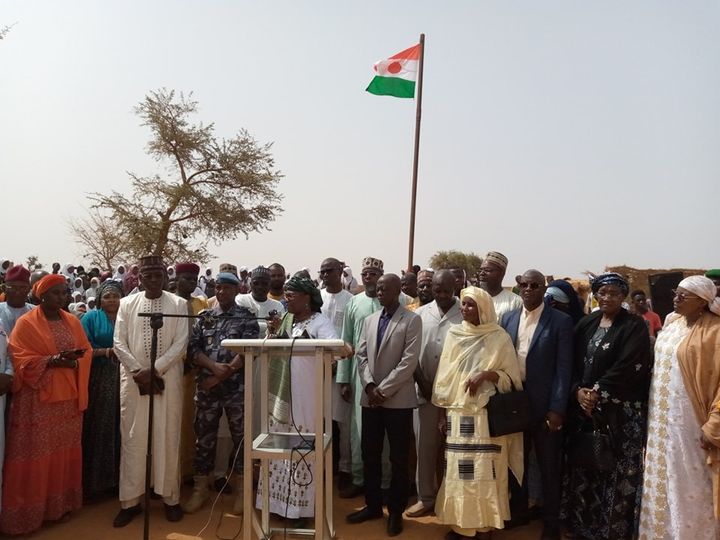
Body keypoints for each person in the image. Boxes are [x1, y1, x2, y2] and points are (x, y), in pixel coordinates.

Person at [562, 273, 652, 540]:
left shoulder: (634, 325)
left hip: (619, 414)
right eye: (602, 292)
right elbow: (572, 362)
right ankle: (581, 526)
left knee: (616, 471)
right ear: (595, 295)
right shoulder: (587, 323)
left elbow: (629, 365)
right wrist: (578, 391)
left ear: (623, 296)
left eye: (614, 293)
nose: (607, 297)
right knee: (585, 466)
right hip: (585, 413)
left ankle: (610, 531)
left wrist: (597, 392)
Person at [0, 274, 92, 535]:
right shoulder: (27, 324)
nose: (62, 298)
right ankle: (27, 515)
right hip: (37, 403)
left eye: (64, 293)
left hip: (67, 404)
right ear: (41, 296)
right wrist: (51, 361)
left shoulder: (73, 321)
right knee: (34, 457)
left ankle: (58, 507)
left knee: (61, 456)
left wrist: (73, 361)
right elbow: (19, 358)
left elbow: (85, 351)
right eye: (56, 293)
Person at [432, 286, 524, 540]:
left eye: (470, 304)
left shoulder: (499, 337)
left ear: (483, 308)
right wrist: (441, 414)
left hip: (487, 416)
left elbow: (512, 380)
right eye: (463, 304)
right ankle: (462, 526)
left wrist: (487, 374)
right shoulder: (454, 334)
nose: (464, 309)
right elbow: (444, 377)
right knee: (460, 473)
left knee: (487, 472)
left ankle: (486, 526)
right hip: (459, 413)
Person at [639, 276, 720, 538]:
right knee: (662, 477)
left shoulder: (715, 331)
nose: (676, 299)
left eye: (684, 296)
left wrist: (714, 425)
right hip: (661, 422)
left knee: (690, 484)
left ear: (702, 302)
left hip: (691, 423)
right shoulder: (672, 323)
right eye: (677, 293)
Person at [112, 256, 190, 527]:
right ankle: (130, 502)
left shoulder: (179, 304)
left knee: (167, 436)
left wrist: (154, 369)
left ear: (165, 277)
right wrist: (139, 371)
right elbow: (118, 343)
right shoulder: (126, 304)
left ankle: (170, 498)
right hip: (134, 382)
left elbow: (181, 344)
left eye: (159, 275)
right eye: (149, 276)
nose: (154, 280)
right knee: (133, 439)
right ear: (140, 278)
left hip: (167, 380)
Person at [500, 270, 574, 540]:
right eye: (524, 285)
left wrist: (557, 408)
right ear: (518, 287)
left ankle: (551, 522)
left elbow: (563, 370)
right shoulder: (507, 318)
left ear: (544, 289)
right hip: (514, 404)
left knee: (548, 466)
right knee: (516, 463)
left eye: (535, 285)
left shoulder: (560, 322)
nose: (528, 289)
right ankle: (518, 511)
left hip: (545, 407)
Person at [346, 274, 421, 537]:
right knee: (370, 454)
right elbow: (361, 354)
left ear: (398, 291)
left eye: (384, 288)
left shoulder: (412, 320)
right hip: (370, 400)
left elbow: (409, 361)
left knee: (398, 458)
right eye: (377, 289)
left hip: (398, 402)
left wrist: (384, 390)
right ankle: (373, 505)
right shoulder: (368, 321)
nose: (379, 292)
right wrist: (369, 387)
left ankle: (396, 511)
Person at [258, 274, 338, 521]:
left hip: (306, 397)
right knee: (279, 448)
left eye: (291, 296)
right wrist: (273, 334)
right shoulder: (287, 321)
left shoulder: (320, 323)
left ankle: (300, 510)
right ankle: (276, 505)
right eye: (286, 295)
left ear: (306, 298)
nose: (286, 300)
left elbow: (335, 349)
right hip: (282, 395)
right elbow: (269, 347)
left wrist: (307, 342)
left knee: (302, 448)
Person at [182, 272, 259, 515]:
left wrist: (221, 374)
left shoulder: (246, 318)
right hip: (207, 390)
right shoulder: (204, 317)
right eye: (218, 287)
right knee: (203, 439)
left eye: (226, 288)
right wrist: (213, 368)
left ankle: (243, 492)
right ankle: (200, 489)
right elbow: (193, 349)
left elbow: (249, 350)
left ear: (237, 290)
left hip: (236, 390)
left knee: (241, 441)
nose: (221, 292)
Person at [407, 269, 462, 518]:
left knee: (457, 450)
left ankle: (454, 501)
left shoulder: (467, 313)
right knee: (425, 448)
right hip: (426, 393)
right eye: (436, 290)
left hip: (458, 397)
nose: (440, 295)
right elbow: (411, 355)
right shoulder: (419, 314)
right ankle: (426, 497)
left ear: (455, 289)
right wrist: (424, 384)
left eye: (446, 291)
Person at [337, 256, 385, 498]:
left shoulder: (396, 301)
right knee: (358, 430)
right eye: (365, 274)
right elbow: (346, 342)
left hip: (386, 377)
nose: (369, 278)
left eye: (373, 274)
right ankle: (358, 478)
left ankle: (385, 483)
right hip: (358, 376)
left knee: (384, 434)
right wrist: (344, 379)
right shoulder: (354, 303)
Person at [81, 279, 123, 501]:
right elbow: (82, 347)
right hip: (99, 379)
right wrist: (106, 352)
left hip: (125, 378)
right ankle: (95, 483)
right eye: (107, 296)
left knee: (121, 427)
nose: (112, 300)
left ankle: (117, 481)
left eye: (115, 296)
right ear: (99, 299)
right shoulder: (90, 317)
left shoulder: (126, 317)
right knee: (100, 427)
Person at [319, 257, 355, 489]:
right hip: (315, 367)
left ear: (340, 271)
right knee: (318, 420)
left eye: (329, 271)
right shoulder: (317, 298)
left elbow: (349, 338)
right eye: (321, 271)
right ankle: (321, 467)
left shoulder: (351, 301)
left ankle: (345, 469)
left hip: (341, 368)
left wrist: (339, 366)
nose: (324, 275)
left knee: (342, 422)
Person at [174, 262, 209, 480]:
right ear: (177, 280)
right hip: (174, 368)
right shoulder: (169, 302)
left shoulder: (202, 303)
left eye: (193, 280)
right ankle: (174, 471)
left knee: (194, 422)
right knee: (175, 420)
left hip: (197, 369)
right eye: (186, 279)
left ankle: (190, 471)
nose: (190, 283)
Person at [478, 251, 522, 321]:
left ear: (501, 273)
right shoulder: (473, 299)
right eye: (480, 270)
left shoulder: (515, 302)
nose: (482, 273)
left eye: (487, 270)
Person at [0, 265, 34, 333]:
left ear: (29, 289)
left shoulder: (36, 313)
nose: (18, 292)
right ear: (4, 289)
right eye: (13, 287)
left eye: (23, 288)